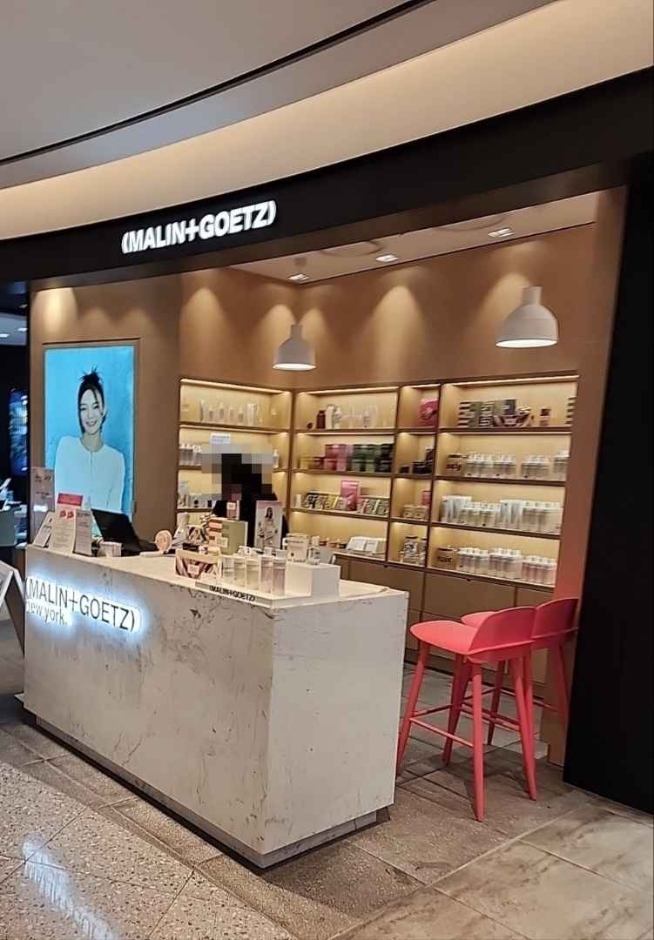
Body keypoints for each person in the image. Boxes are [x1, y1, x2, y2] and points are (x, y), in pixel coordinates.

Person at [54, 370, 125, 512]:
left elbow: (114, 511)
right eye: (83, 408)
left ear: (104, 410)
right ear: (79, 413)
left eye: (95, 407)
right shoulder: (66, 447)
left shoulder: (116, 460)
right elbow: (58, 501)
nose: (90, 415)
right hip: (68, 525)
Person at [212, 452, 287, 548]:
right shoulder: (266, 494)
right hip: (267, 547)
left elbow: (216, 520)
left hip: (235, 546)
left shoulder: (233, 494)